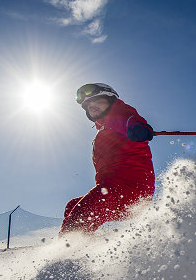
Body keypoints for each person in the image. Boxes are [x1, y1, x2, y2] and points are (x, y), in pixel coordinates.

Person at [60, 83, 155, 234]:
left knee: (82, 213)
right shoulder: (104, 130)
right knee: (72, 205)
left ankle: (65, 252)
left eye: (98, 102)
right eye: (89, 106)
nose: (93, 107)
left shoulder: (117, 116)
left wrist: (137, 127)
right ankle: (82, 246)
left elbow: (128, 118)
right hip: (115, 193)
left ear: (111, 100)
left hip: (129, 190)